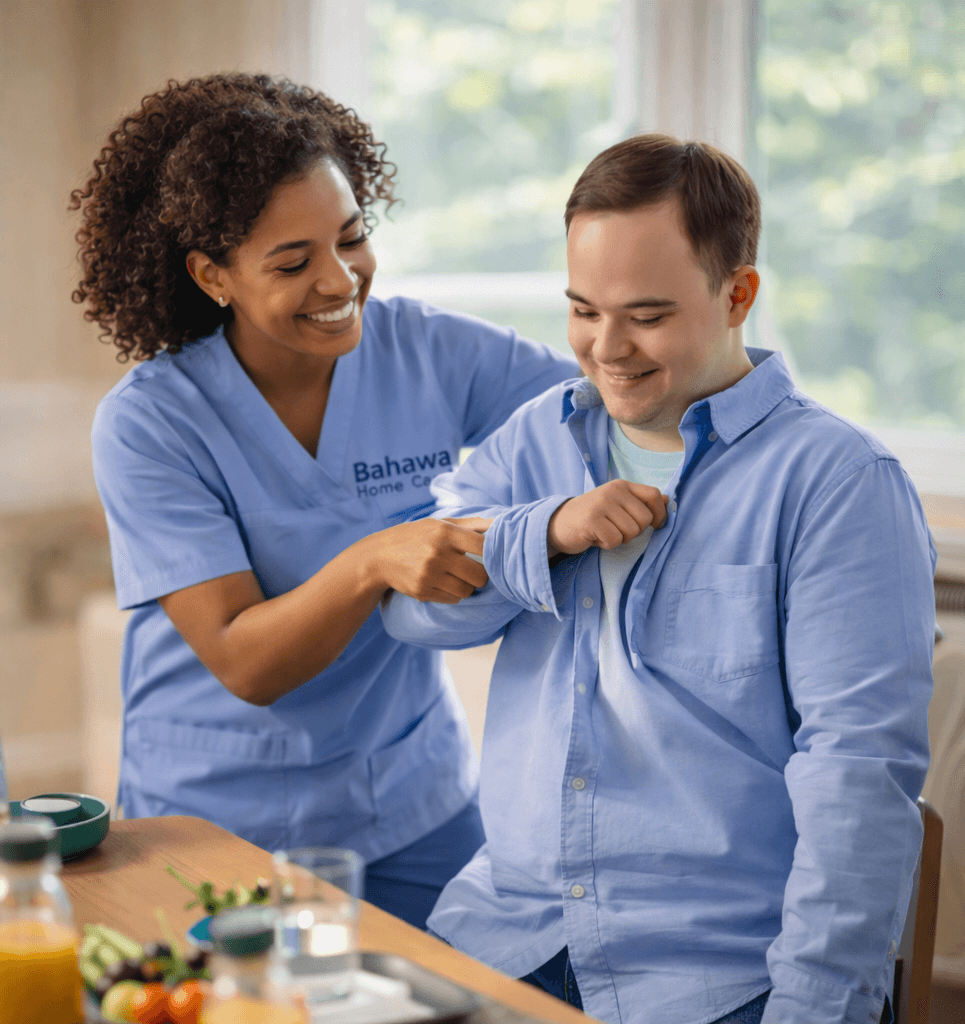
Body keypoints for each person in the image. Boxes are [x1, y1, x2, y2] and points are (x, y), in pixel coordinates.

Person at [381, 134, 936, 1023]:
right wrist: (544, 531)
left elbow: (857, 780)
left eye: (647, 315)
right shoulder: (538, 436)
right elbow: (412, 613)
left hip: (714, 976)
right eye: (582, 310)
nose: (607, 349)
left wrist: (811, 1011)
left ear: (738, 294)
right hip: (504, 935)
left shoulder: (839, 483)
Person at [72, 72, 578, 929]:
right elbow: (246, 661)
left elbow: (600, 409)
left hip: (412, 800)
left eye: (351, 238)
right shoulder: (151, 424)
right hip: (223, 823)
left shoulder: (427, 350)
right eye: (293, 261)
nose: (341, 279)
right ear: (212, 274)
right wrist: (378, 558)